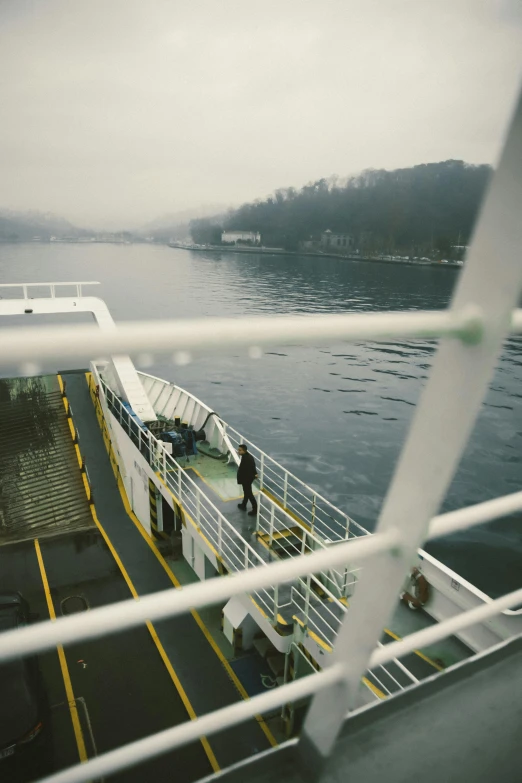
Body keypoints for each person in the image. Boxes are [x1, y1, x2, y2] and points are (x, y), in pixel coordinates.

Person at [237, 444, 258, 516]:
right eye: (238, 450)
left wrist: (243, 479)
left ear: (244, 451)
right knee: (246, 492)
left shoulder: (246, 459)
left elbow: (246, 470)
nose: (238, 451)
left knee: (249, 494)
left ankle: (255, 510)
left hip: (247, 479)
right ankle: (244, 504)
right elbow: (253, 466)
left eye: (240, 450)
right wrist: (255, 473)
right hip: (248, 478)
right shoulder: (248, 456)